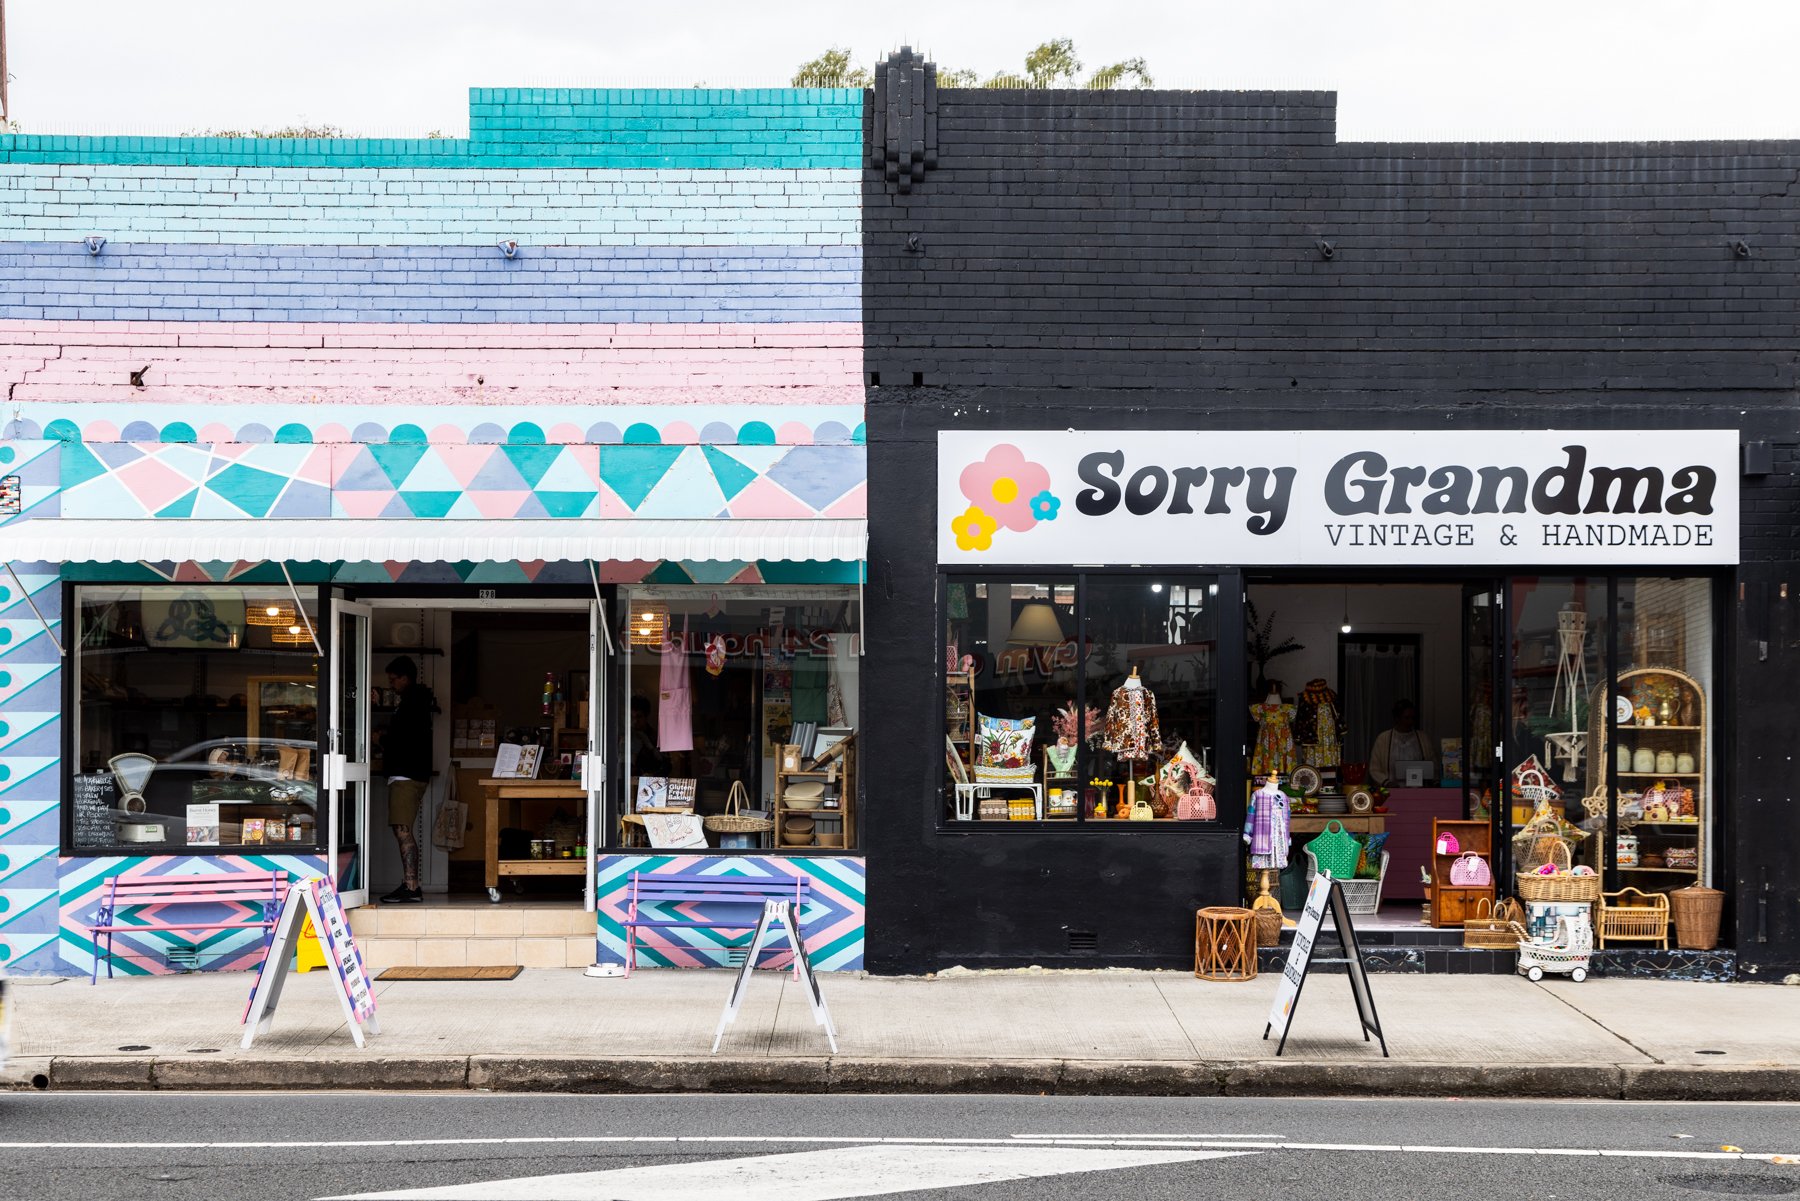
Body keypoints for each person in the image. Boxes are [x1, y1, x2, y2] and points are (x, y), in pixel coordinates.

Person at [379, 656, 436, 904]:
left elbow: (403, 739)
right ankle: (410, 884)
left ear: (406, 677)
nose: (391, 684)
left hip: (406, 773)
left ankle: (411, 886)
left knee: (402, 830)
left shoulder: (412, 704)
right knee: (402, 829)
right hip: (410, 772)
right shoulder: (417, 701)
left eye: (394, 679)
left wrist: (379, 739)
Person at [1368, 698, 1437, 787]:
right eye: (1406, 718)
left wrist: (1434, 781)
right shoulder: (1383, 739)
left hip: (1418, 792)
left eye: (1413, 718)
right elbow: (1374, 768)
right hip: (1390, 792)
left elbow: (1433, 766)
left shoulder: (1423, 738)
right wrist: (1387, 782)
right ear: (1397, 718)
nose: (1410, 722)